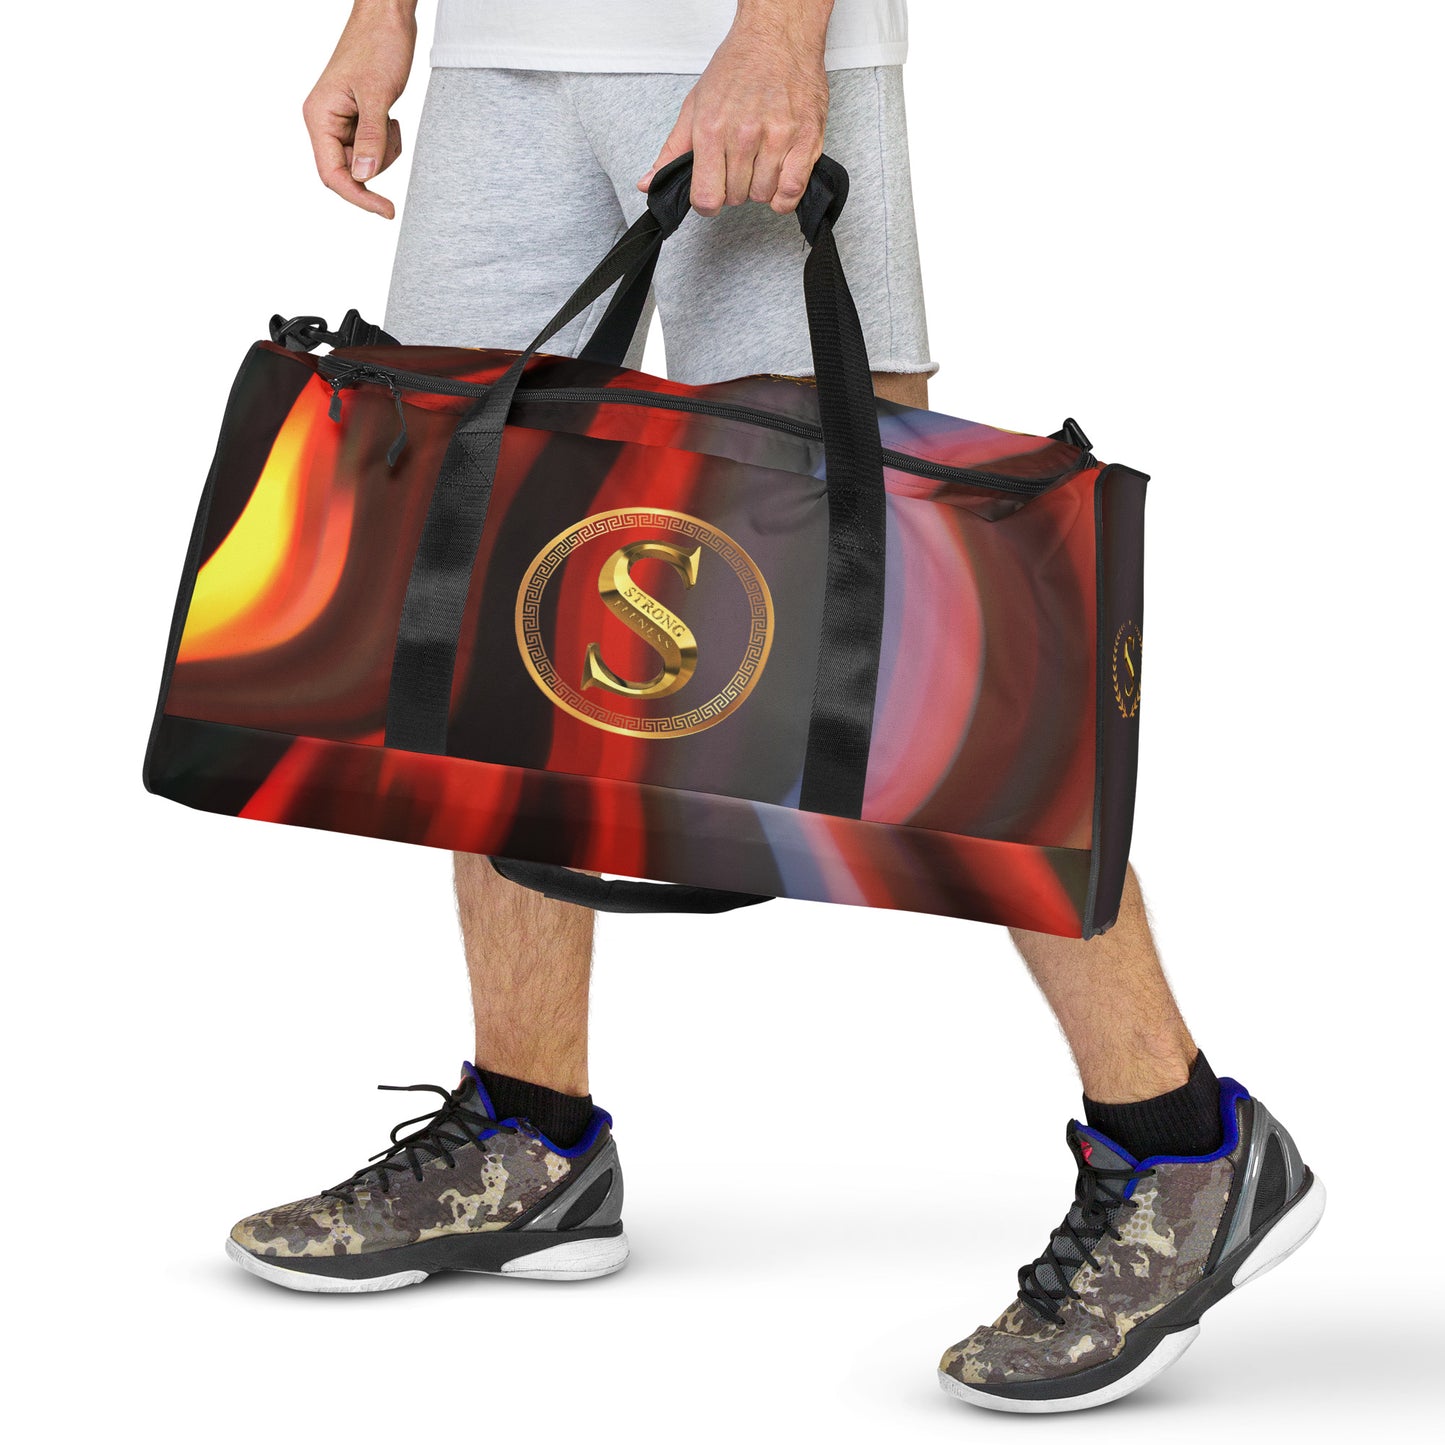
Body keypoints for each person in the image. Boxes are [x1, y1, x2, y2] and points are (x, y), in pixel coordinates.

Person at [225, 0, 1323, 1413]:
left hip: (738, 48)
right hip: (500, 57)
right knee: (499, 582)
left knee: (922, 604)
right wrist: (385, 16)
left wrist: (781, 34)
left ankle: (1181, 1141)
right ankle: (529, 1135)